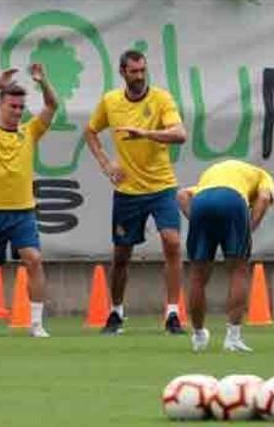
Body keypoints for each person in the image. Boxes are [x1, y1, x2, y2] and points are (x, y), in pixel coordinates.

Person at [84, 49, 187, 334]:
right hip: (128, 191)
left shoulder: (161, 99)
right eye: (134, 72)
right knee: (121, 255)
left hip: (162, 186)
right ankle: (116, 312)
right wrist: (106, 163)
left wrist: (146, 134)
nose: (140, 76)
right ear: (123, 72)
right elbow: (90, 132)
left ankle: (173, 313)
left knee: (172, 242)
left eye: (143, 71)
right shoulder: (111, 101)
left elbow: (180, 134)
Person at [0, 65, 57, 338]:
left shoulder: (30, 132)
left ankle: (37, 324)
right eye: (12, 106)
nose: (17, 112)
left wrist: (43, 81)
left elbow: (52, 106)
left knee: (34, 260)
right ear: (1, 106)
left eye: (20, 107)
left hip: (23, 213)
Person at [176, 159, 274, 353]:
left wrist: (197, 221)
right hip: (233, 201)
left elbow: (181, 195)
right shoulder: (263, 177)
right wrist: (249, 228)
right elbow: (263, 198)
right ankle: (233, 338)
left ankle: (198, 336)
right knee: (238, 269)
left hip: (202, 202)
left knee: (197, 275)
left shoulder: (214, 179)